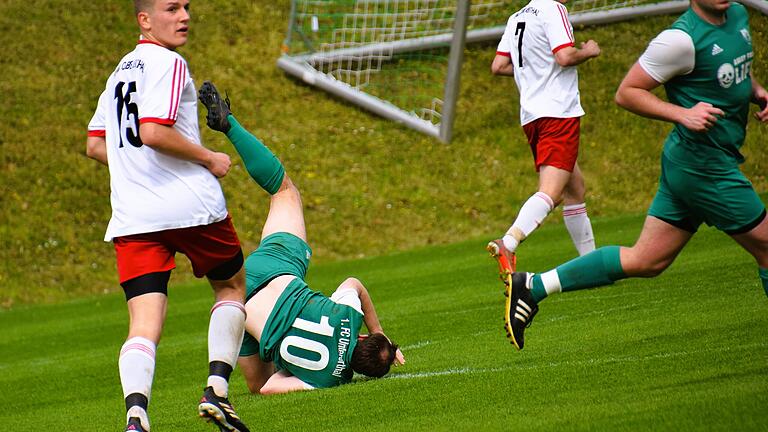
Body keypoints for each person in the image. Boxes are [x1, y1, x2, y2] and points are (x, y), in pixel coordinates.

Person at [500, 0, 768, 351]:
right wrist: (682, 114)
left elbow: (733, 70)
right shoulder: (679, 40)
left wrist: (756, 91)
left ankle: (533, 286)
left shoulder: (737, 16)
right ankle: (509, 241)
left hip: (693, 163)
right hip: (704, 166)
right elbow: (626, 92)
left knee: (647, 259)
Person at [85, 1, 250, 431]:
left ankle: (136, 416)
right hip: (190, 206)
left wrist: (134, 172)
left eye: (187, 7)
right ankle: (216, 390)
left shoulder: (118, 74)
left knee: (143, 323)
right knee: (232, 287)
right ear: (144, 20)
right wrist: (209, 157)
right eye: (171, 8)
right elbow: (153, 132)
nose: (184, 16)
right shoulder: (170, 62)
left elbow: (96, 143)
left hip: (134, 216)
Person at [197, 81, 405, 394]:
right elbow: (268, 389)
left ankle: (230, 125)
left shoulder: (348, 316)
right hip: (241, 304)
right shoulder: (329, 379)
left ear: (363, 338)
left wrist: (379, 330)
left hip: (278, 270)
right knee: (258, 383)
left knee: (284, 192)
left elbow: (355, 284)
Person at [487, 0, 602, 280]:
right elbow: (564, 56)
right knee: (552, 191)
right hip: (557, 112)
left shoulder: (516, 17)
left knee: (575, 188)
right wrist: (587, 51)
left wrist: (534, 69)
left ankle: (592, 266)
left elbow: (499, 65)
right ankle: (509, 241)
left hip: (532, 115)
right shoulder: (554, 9)